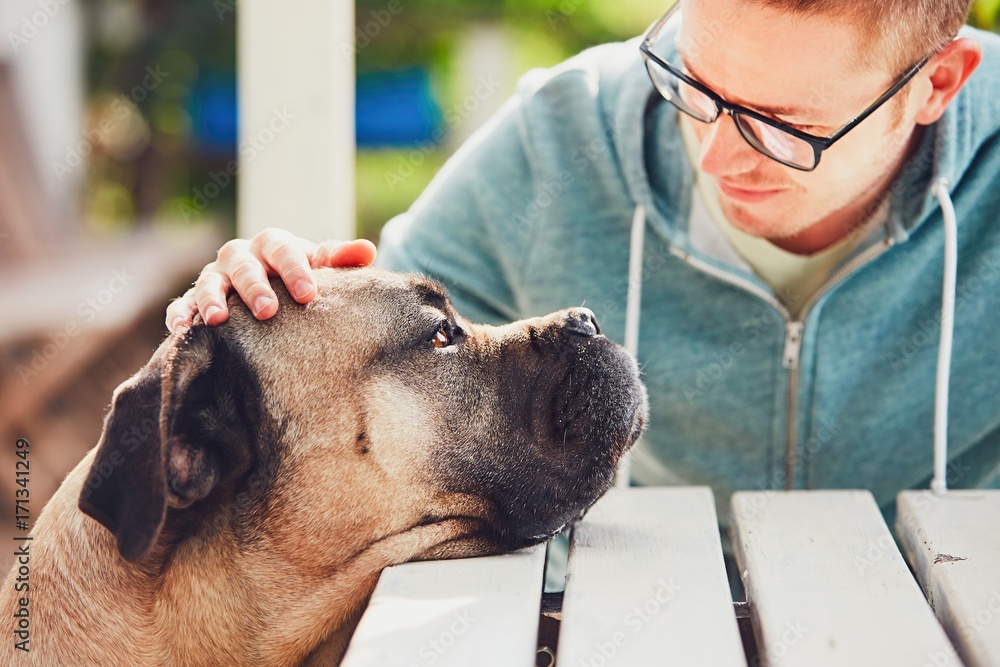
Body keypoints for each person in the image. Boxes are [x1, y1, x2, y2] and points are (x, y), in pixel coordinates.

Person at [165, 0, 1000, 595]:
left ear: (938, 82)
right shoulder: (556, 140)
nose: (710, 158)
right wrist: (274, 313)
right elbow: (377, 345)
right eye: (695, 84)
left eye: (781, 127)